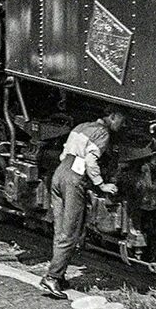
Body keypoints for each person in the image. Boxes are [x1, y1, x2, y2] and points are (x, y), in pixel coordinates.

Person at [37, 121, 116, 295]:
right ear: (113, 116)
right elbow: (90, 159)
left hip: (60, 172)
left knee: (60, 230)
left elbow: (63, 154)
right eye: (122, 120)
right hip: (74, 177)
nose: (123, 124)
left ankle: (59, 275)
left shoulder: (81, 126)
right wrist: (101, 184)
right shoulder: (102, 133)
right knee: (70, 231)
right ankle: (52, 277)